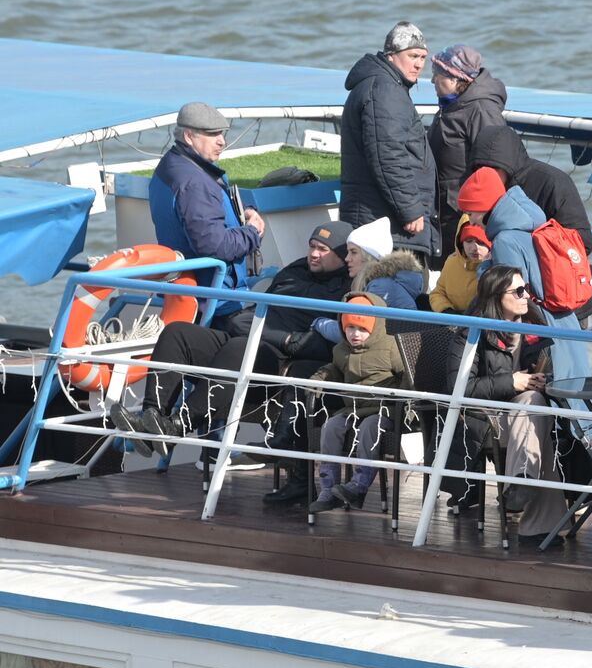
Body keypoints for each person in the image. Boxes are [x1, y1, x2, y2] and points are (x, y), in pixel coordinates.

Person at [111, 223, 353, 472]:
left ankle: (177, 425)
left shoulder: (347, 290)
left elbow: (332, 342)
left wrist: (286, 340)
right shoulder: (296, 270)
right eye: (312, 246)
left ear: (343, 255)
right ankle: (150, 420)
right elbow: (248, 315)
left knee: (239, 348)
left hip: (274, 363)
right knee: (178, 333)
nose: (314, 253)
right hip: (245, 335)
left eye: (323, 249)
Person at [446, 266, 569, 539]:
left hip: (523, 415)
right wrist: (512, 382)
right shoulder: (472, 332)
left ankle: (522, 484)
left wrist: (541, 380)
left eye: (527, 289)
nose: (527, 296)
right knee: (535, 415)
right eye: (519, 291)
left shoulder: (533, 326)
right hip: (482, 418)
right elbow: (459, 388)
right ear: (496, 296)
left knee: (533, 402)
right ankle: (536, 516)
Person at [456, 167, 590, 385]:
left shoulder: (505, 241)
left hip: (541, 331)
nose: (471, 222)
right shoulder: (531, 226)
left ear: (483, 207)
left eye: (471, 213)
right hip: (566, 322)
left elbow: (511, 298)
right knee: (576, 399)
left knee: (554, 400)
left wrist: (484, 269)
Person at [149, 102, 264, 328]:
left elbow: (209, 209)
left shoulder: (173, 166)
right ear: (189, 136)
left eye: (222, 133)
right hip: (217, 305)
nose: (222, 141)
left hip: (190, 296)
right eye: (213, 134)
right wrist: (253, 232)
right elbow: (214, 245)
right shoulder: (194, 182)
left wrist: (245, 211)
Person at [339, 21, 437, 257]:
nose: (419, 64)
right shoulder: (384, 90)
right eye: (413, 55)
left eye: (423, 57)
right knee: (392, 290)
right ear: (391, 55)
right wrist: (410, 209)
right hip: (385, 227)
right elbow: (387, 155)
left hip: (382, 219)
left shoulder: (384, 85)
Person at [306, 293, 407, 513]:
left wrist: (400, 397)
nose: (355, 334)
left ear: (375, 327)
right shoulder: (341, 349)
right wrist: (321, 377)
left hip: (385, 410)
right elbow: (335, 368)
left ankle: (358, 486)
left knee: (369, 428)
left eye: (362, 329)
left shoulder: (390, 346)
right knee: (330, 427)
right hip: (353, 407)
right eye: (350, 328)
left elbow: (408, 374)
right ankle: (328, 488)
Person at [426, 44, 507, 267]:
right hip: (444, 209)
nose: (432, 81)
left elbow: (494, 165)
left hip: (465, 213)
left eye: (437, 75)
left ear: (455, 78)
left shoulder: (481, 110)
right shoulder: (451, 106)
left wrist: (478, 216)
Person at [465, 125, 592, 254]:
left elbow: (583, 242)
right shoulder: (475, 187)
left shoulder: (553, 182)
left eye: (494, 168)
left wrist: (527, 244)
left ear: (507, 165)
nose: (486, 174)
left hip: (542, 265)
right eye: (479, 168)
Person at [429, 215, 491, 314]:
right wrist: (446, 310)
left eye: (481, 242)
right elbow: (437, 293)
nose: (474, 248)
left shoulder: (496, 266)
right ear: (461, 243)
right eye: (469, 241)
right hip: (453, 324)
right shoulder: (451, 262)